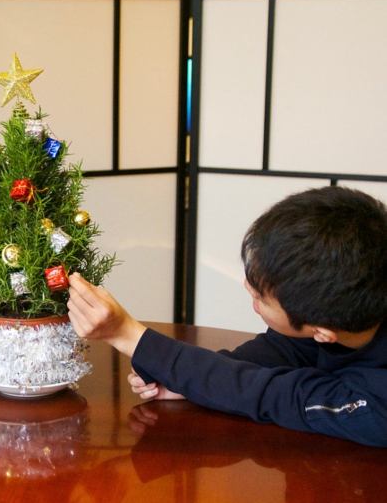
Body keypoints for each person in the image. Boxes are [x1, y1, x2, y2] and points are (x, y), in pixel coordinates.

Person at [67, 186, 386, 447]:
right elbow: (274, 354)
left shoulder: (377, 402)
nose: (249, 292)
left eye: (261, 298)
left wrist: (125, 334)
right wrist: (190, 383)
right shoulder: (348, 314)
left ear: (323, 332)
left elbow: (268, 393)